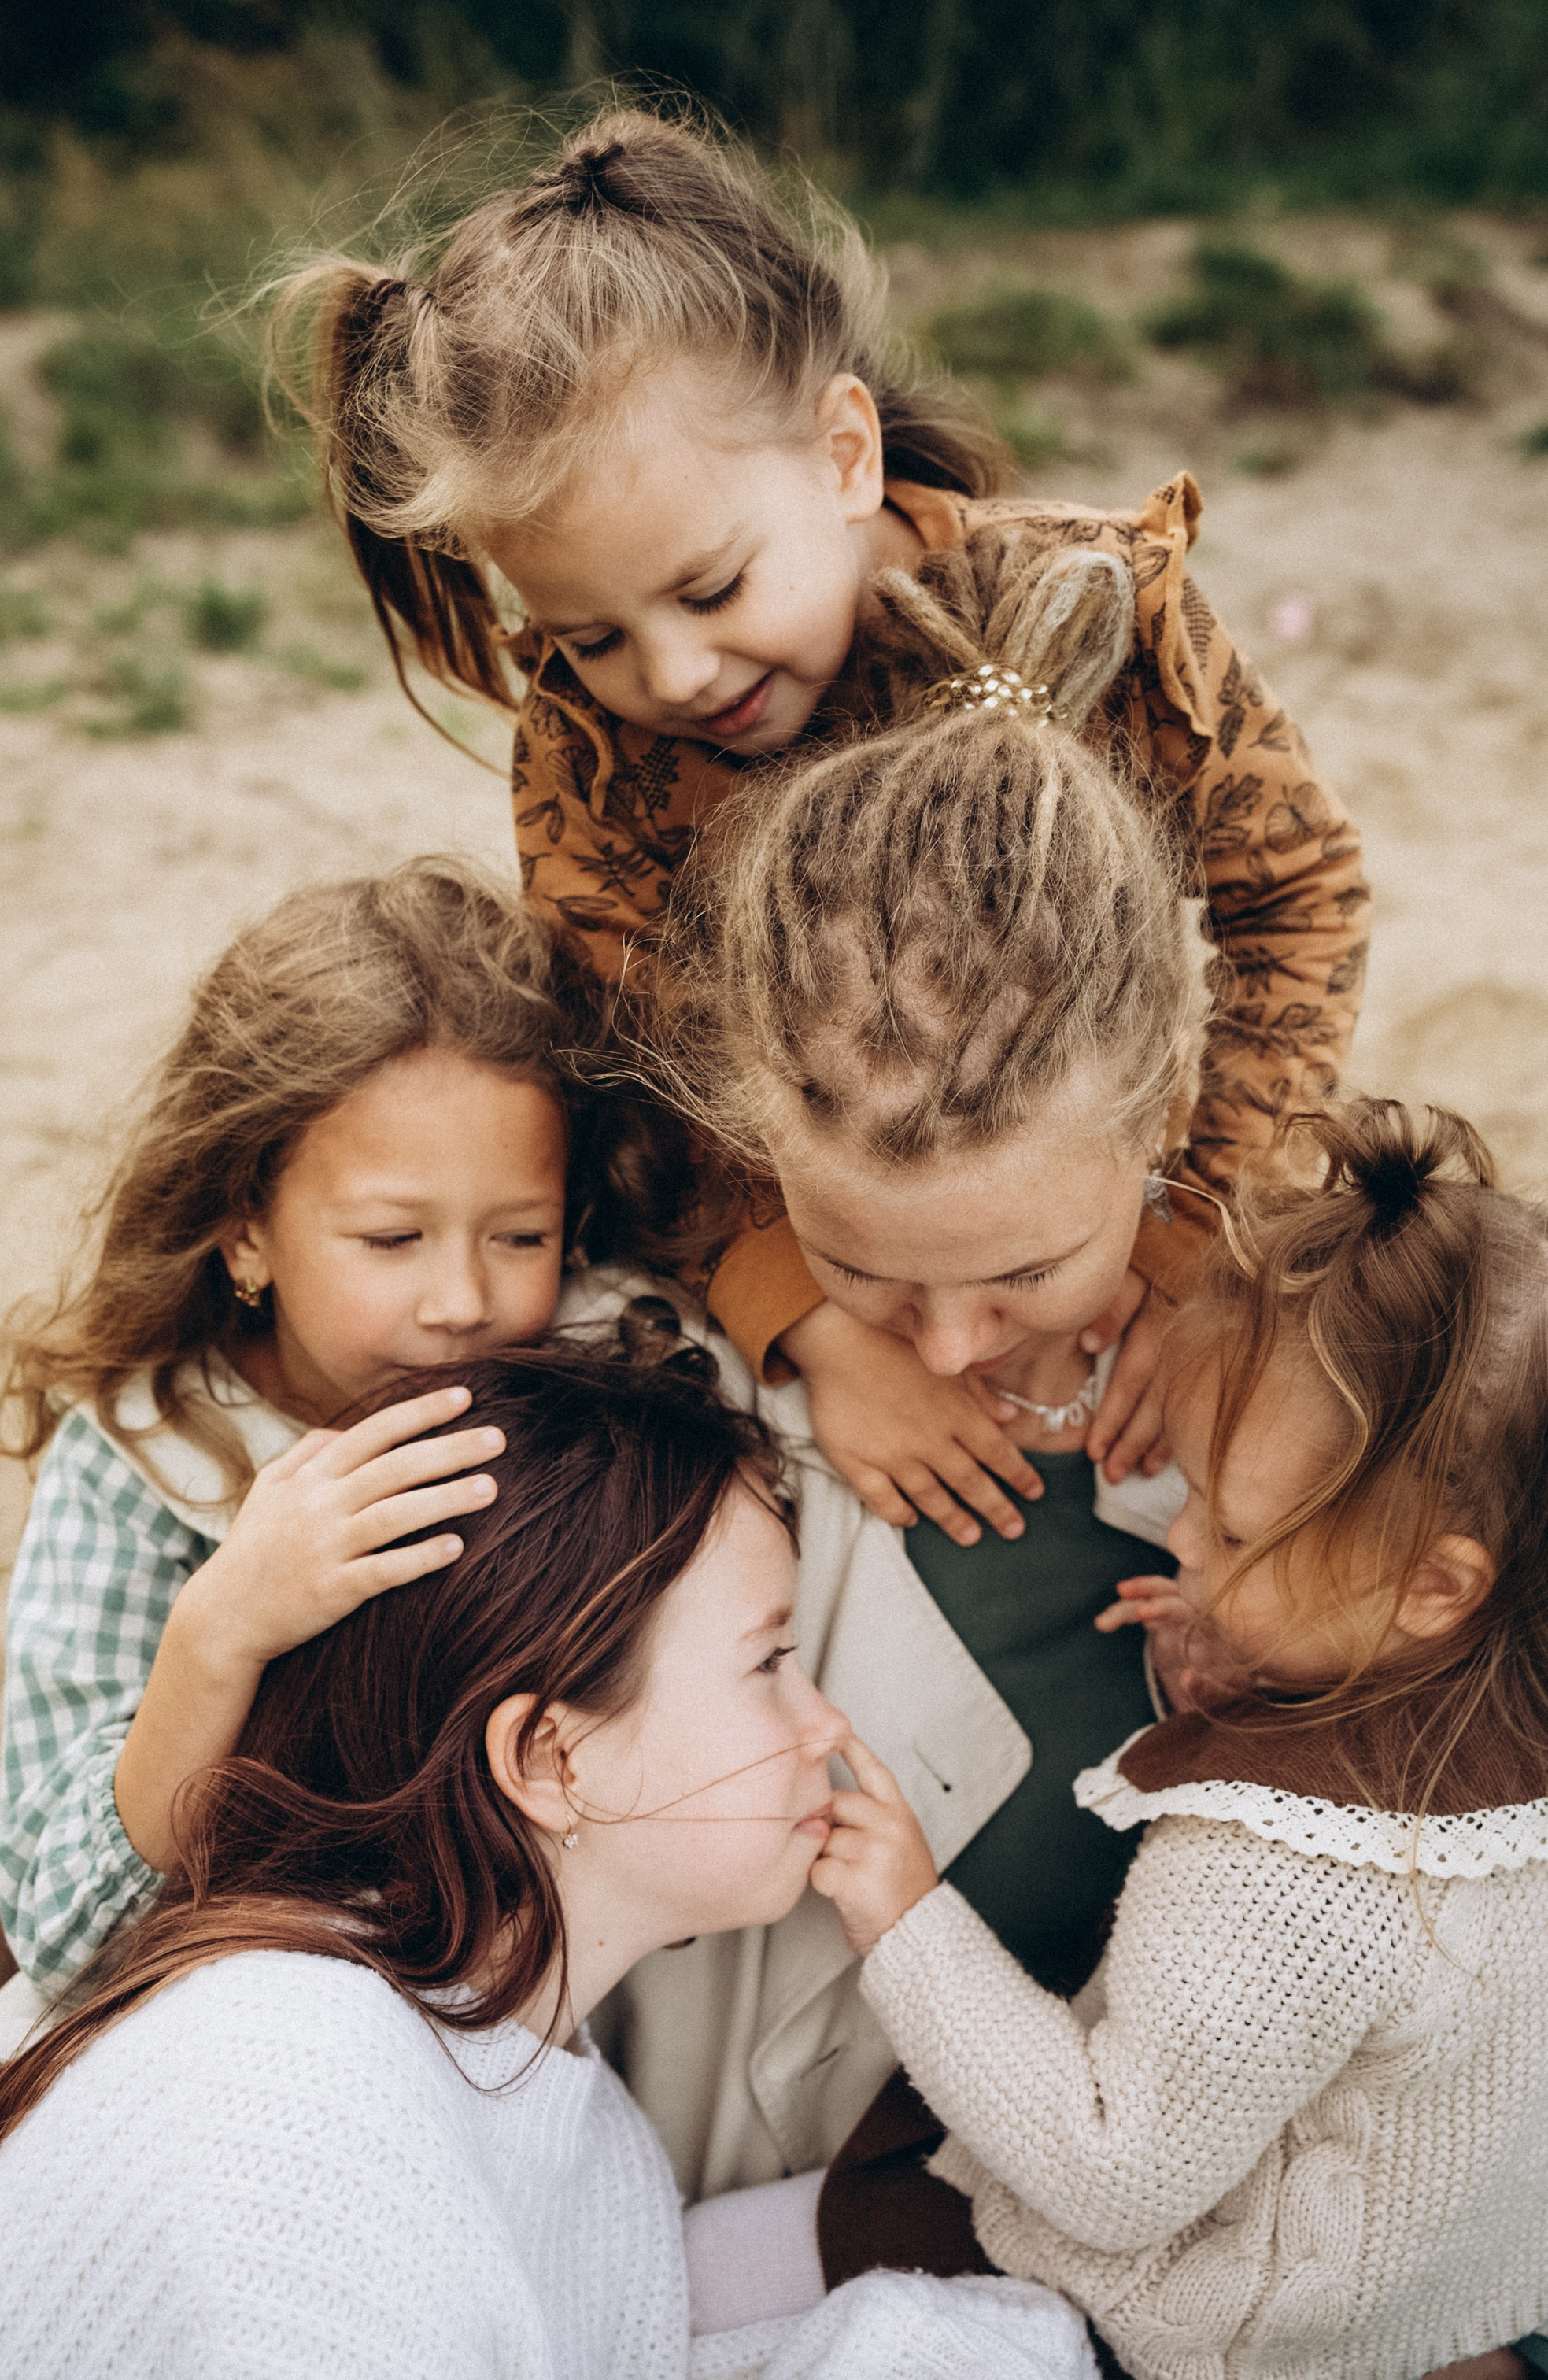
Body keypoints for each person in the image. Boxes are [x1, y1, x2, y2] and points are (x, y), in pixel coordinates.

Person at [271, 98, 1368, 1540]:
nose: (669, 675)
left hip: (1106, 1183)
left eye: (712, 589)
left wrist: (1192, 1239)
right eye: (588, 634)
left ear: (845, 453)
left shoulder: (1102, 614)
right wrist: (821, 1330)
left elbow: (1297, 897)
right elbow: (631, 1067)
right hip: (812, 1233)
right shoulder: (592, 746)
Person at [0, 1332, 1097, 2380]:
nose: (826, 1727)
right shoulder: (308, 2080)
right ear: (551, 1760)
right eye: (769, 1664)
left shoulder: (558, 2102)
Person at [582, 541, 1203, 2203]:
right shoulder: (671, 1388)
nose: (940, 1346)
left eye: (1024, 1272)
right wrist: (809, 1326)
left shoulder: (1337, 1401)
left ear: (1164, 1118)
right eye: (861, 1265)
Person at [811, 1100, 1548, 2380]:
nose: (1186, 1542)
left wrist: (905, 1917)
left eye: (1235, 1525)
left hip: (1221, 2333)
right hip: (1449, 2286)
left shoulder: (1275, 1869)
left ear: (1433, 1586)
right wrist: (1248, 1659)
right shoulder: (1503, 1701)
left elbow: (1113, 2168)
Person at [0, 855, 677, 2015]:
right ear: (247, 1233)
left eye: (520, 1236)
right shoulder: (154, 1463)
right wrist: (224, 1630)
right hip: (237, 2010)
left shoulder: (604, 1369)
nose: (463, 1301)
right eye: (392, 1240)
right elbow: (63, 1936)